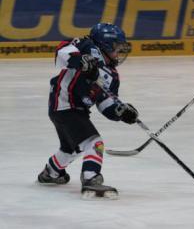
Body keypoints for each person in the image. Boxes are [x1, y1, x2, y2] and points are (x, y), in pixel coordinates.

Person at [37, 23, 139, 198]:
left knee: (71, 149)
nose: (118, 53)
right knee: (94, 142)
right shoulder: (86, 46)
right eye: (116, 48)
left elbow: (106, 102)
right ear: (104, 45)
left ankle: (51, 173)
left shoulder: (112, 75)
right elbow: (61, 52)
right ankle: (91, 178)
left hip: (76, 109)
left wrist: (120, 111)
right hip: (64, 105)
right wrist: (81, 61)